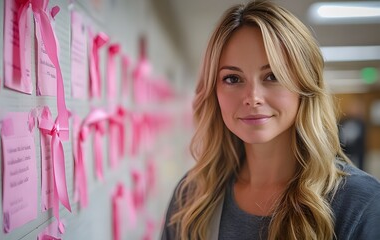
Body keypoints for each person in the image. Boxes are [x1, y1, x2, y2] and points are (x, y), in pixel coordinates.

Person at [161, 1, 380, 239]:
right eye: (233, 79)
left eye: (272, 76)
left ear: (304, 87)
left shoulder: (360, 202)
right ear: (214, 91)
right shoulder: (193, 197)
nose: (252, 98)